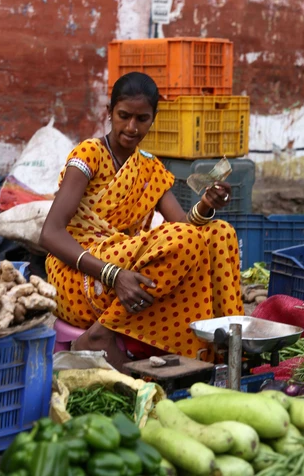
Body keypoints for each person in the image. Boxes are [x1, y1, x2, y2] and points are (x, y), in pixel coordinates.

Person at [40, 72, 244, 371]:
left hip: (129, 275)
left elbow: (185, 228)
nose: (131, 127)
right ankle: (101, 333)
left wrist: (206, 206)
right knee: (184, 240)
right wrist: (113, 274)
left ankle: (229, 346)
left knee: (220, 232)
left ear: (153, 119)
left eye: (142, 119)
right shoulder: (89, 155)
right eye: (123, 116)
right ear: (108, 113)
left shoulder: (149, 166)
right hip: (81, 272)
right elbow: (50, 233)